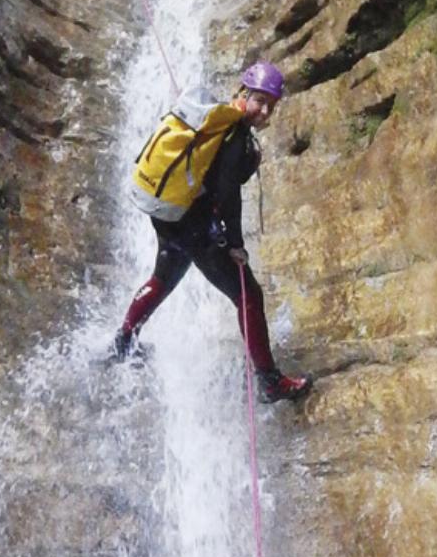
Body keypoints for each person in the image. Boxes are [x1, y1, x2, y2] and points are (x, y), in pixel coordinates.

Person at [112, 61, 313, 402]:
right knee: (248, 294)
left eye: (271, 105)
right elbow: (227, 194)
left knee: (165, 275)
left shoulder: (212, 119)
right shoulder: (232, 134)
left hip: (169, 213)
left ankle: (124, 340)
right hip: (192, 221)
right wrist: (234, 244)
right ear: (244, 93)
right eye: (260, 101)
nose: (264, 111)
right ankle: (269, 381)